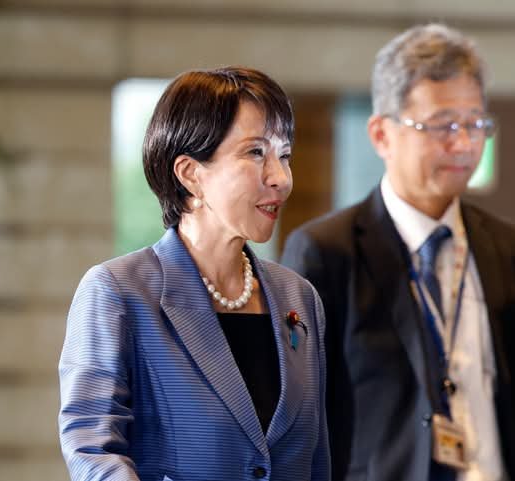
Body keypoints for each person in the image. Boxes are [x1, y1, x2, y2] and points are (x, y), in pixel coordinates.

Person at [281, 24, 515, 481]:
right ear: (381, 134)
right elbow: (300, 420)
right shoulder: (325, 253)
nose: (463, 144)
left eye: (475, 124)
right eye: (442, 125)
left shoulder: (512, 250)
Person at [58, 66, 329, 481]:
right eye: (256, 153)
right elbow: (93, 449)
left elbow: (317, 458)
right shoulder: (119, 292)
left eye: (285, 155)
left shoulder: (299, 297)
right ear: (190, 174)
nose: (280, 178)